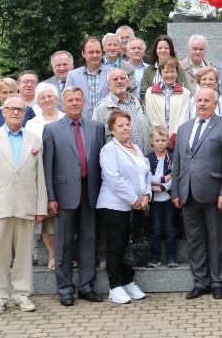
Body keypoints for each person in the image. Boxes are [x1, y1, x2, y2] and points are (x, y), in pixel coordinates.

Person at [0, 93, 47, 315]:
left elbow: (39, 175)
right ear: (3, 111)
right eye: (11, 109)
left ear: (25, 114)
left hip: (26, 204)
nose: (15, 112)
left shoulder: (34, 139)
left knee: (25, 253)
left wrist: (40, 206)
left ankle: (22, 295)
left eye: (20, 109)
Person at [171, 87, 222, 300]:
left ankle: (218, 282)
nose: (201, 103)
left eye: (206, 100)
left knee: (217, 238)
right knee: (194, 240)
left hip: (215, 193)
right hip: (188, 193)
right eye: (199, 100)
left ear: (215, 103)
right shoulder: (183, 128)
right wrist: (175, 191)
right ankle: (200, 282)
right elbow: (178, 163)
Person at [42, 87, 105, 306]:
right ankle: (65, 288)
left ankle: (87, 286)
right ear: (63, 103)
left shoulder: (97, 128)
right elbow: (47, 166)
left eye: (79, 99)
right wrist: (50, 197)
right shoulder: (51, 130)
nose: (75, 103)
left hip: (90, 193)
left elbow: (101, 162)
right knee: (64, 244)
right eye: (70, 100)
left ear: (85, 102)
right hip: (64, 194)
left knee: (88, 241)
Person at [97, 109, 151, 305]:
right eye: (120, 125)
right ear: (112, 130)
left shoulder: (135, 147)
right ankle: (115, 286)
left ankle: (128, 281)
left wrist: (146, 195)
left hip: (137, 206)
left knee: (131, 245)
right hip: (114, 206)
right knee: (116, 246)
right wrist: (134, 199)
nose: (125, 128)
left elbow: (146, 174)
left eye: (127, 124)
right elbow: (114, 179)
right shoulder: (109, 150)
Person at [24, 82, 65, 270]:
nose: (47, 100)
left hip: (66, 173)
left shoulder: (66, 118)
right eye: (43, 97)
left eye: (50, 96)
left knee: (67, 215)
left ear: (57, 99)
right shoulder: (32, 124)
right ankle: (52, 255)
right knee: (48, 217)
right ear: (37, 102)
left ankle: (68, 254)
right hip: (42, 173)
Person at [93, 68, 150, 152]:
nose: (119, 81)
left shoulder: (138, 103)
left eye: (122, 78)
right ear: (109, 85)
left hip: (143, 159)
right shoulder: (101, 109)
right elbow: (95, 140)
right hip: (117, 162)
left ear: (127, 82)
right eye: (115, 79)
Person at [146, 126, 178, 269]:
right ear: (152, 142)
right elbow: (148, 178)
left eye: (163, 140)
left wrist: (161, 187)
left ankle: (172, 257)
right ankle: (155, 257)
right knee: (155, 230)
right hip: (154, 202)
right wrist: (164, 178)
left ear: (168, 142)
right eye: (157, 140)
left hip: (168, 200)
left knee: (170, 229)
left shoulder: (172, 158)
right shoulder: (147, 159)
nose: (160, 143)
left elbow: (175, 179)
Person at [144, 56, 191, 142]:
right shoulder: (150, 92)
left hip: (177, 141)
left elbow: (183, 119)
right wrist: (162, 138)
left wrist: (173, 139)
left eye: (172, 71)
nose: (169, 75)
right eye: (166, 72)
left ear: (177, 73)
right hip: (158, 141)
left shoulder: (185, 93)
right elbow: (152, 118)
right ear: (161, 73)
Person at [65, 37, 111, 120]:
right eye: (90, 52)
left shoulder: (112, 73)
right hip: (81, 124)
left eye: (98, 52)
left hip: (107, 123)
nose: (95, 55)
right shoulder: (72, 75)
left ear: (102, 53)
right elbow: (68, 100)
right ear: (83, 54)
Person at [139, 35, 187, 104]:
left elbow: (183, 90)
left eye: (166, 48)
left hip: (174, 107)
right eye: (160, 48)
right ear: (156, 50)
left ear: (170, 50)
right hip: (153, 108)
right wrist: (151, 107)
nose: (163, 50)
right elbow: (144, 93)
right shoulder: (148, 70)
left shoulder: (178, 69)